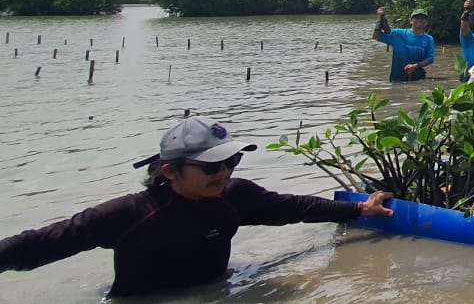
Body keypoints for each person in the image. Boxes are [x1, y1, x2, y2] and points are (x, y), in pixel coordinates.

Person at [0, 115, 392, 297]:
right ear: (169, 171)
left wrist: (358, 210)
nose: (223, 172)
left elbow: (292, 207)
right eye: (210, 166)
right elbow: (42, 243)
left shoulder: (234, 196)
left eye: (231, 161)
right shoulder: (130, 215)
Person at [372, 6, 436, 82]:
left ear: (426, 22)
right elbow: (376, 37)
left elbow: (430, 59)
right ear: (410, 21)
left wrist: (416, 66)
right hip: (397, 78)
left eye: (422, 18)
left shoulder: (429, 39)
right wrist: (379, 20)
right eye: (416, 18)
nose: (419, 20)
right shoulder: (398, 33)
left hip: (417, 78)